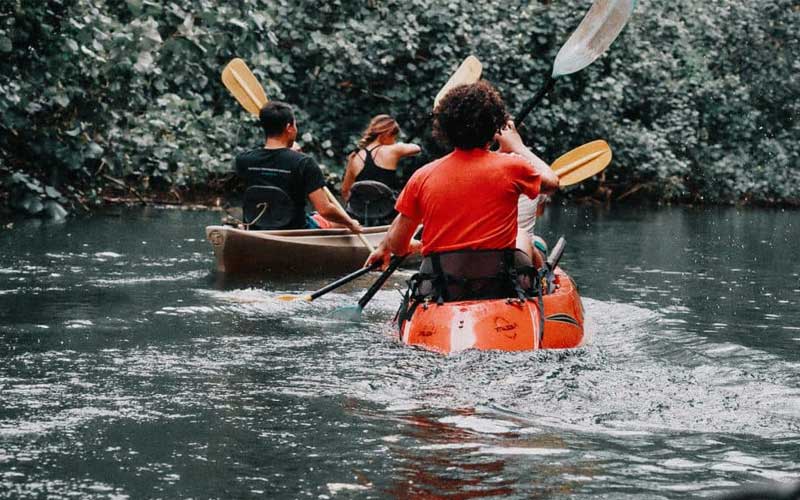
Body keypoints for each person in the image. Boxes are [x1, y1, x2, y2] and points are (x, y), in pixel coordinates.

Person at [366, 81, 559, 301]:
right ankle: (543, 287)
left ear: (444, 128)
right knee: (523, 233)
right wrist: (518, 146)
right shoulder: (514, 167)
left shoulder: (422, 176)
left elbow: (397, 245)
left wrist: (414, 246)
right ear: (494, 127)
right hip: (500, 285)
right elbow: (552, 182)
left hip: (443, 289)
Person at [234, 101, 362, 232]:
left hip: (256, 228)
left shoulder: (243, 160)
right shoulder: (304, 163)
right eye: (295, 125)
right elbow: (325, 209)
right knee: (344, 223)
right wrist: (350, 223)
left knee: (317, 217)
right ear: (289, 127)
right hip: (296, 230)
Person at [341, 114, 421, 201]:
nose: (394, 141)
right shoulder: (393, 150)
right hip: (387, 210)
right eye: (394, 137)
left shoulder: (354, 156)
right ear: (387, 134)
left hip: (362, 211)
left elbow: (345, 191)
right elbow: (417, 148)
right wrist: (398, 145)